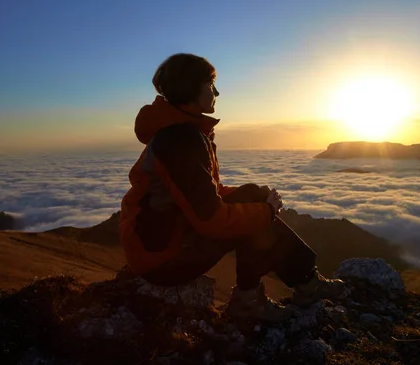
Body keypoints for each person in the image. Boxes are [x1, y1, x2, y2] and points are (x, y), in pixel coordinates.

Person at [119, 53, 345, 322]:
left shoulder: (180, 131)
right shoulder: (180, 139)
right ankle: (274, 294)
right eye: (210, 84)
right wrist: (265, 212)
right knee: (256, 215)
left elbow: (198, 194)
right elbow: (211, 221)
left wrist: (259, 201)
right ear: (192, 87)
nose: (216, 91)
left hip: (163, 239)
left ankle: (288, 287)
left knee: (254, 195)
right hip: (162, 259)